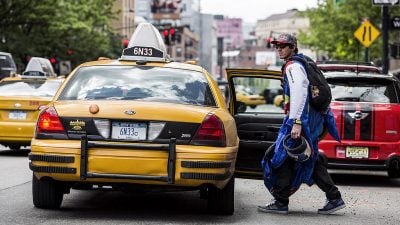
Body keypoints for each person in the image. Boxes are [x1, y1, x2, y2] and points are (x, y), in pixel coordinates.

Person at [258, 33, 345, 215]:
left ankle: (281, 202)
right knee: (304, 158)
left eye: (283, 46)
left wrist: (296, 122)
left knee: (281, 157)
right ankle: (333, 197)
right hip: (309, 119)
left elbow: (299, 94)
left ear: (293, 47)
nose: (279, 49)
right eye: (277, 46)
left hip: (301, 120)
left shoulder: (293, 66)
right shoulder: (301, 62)